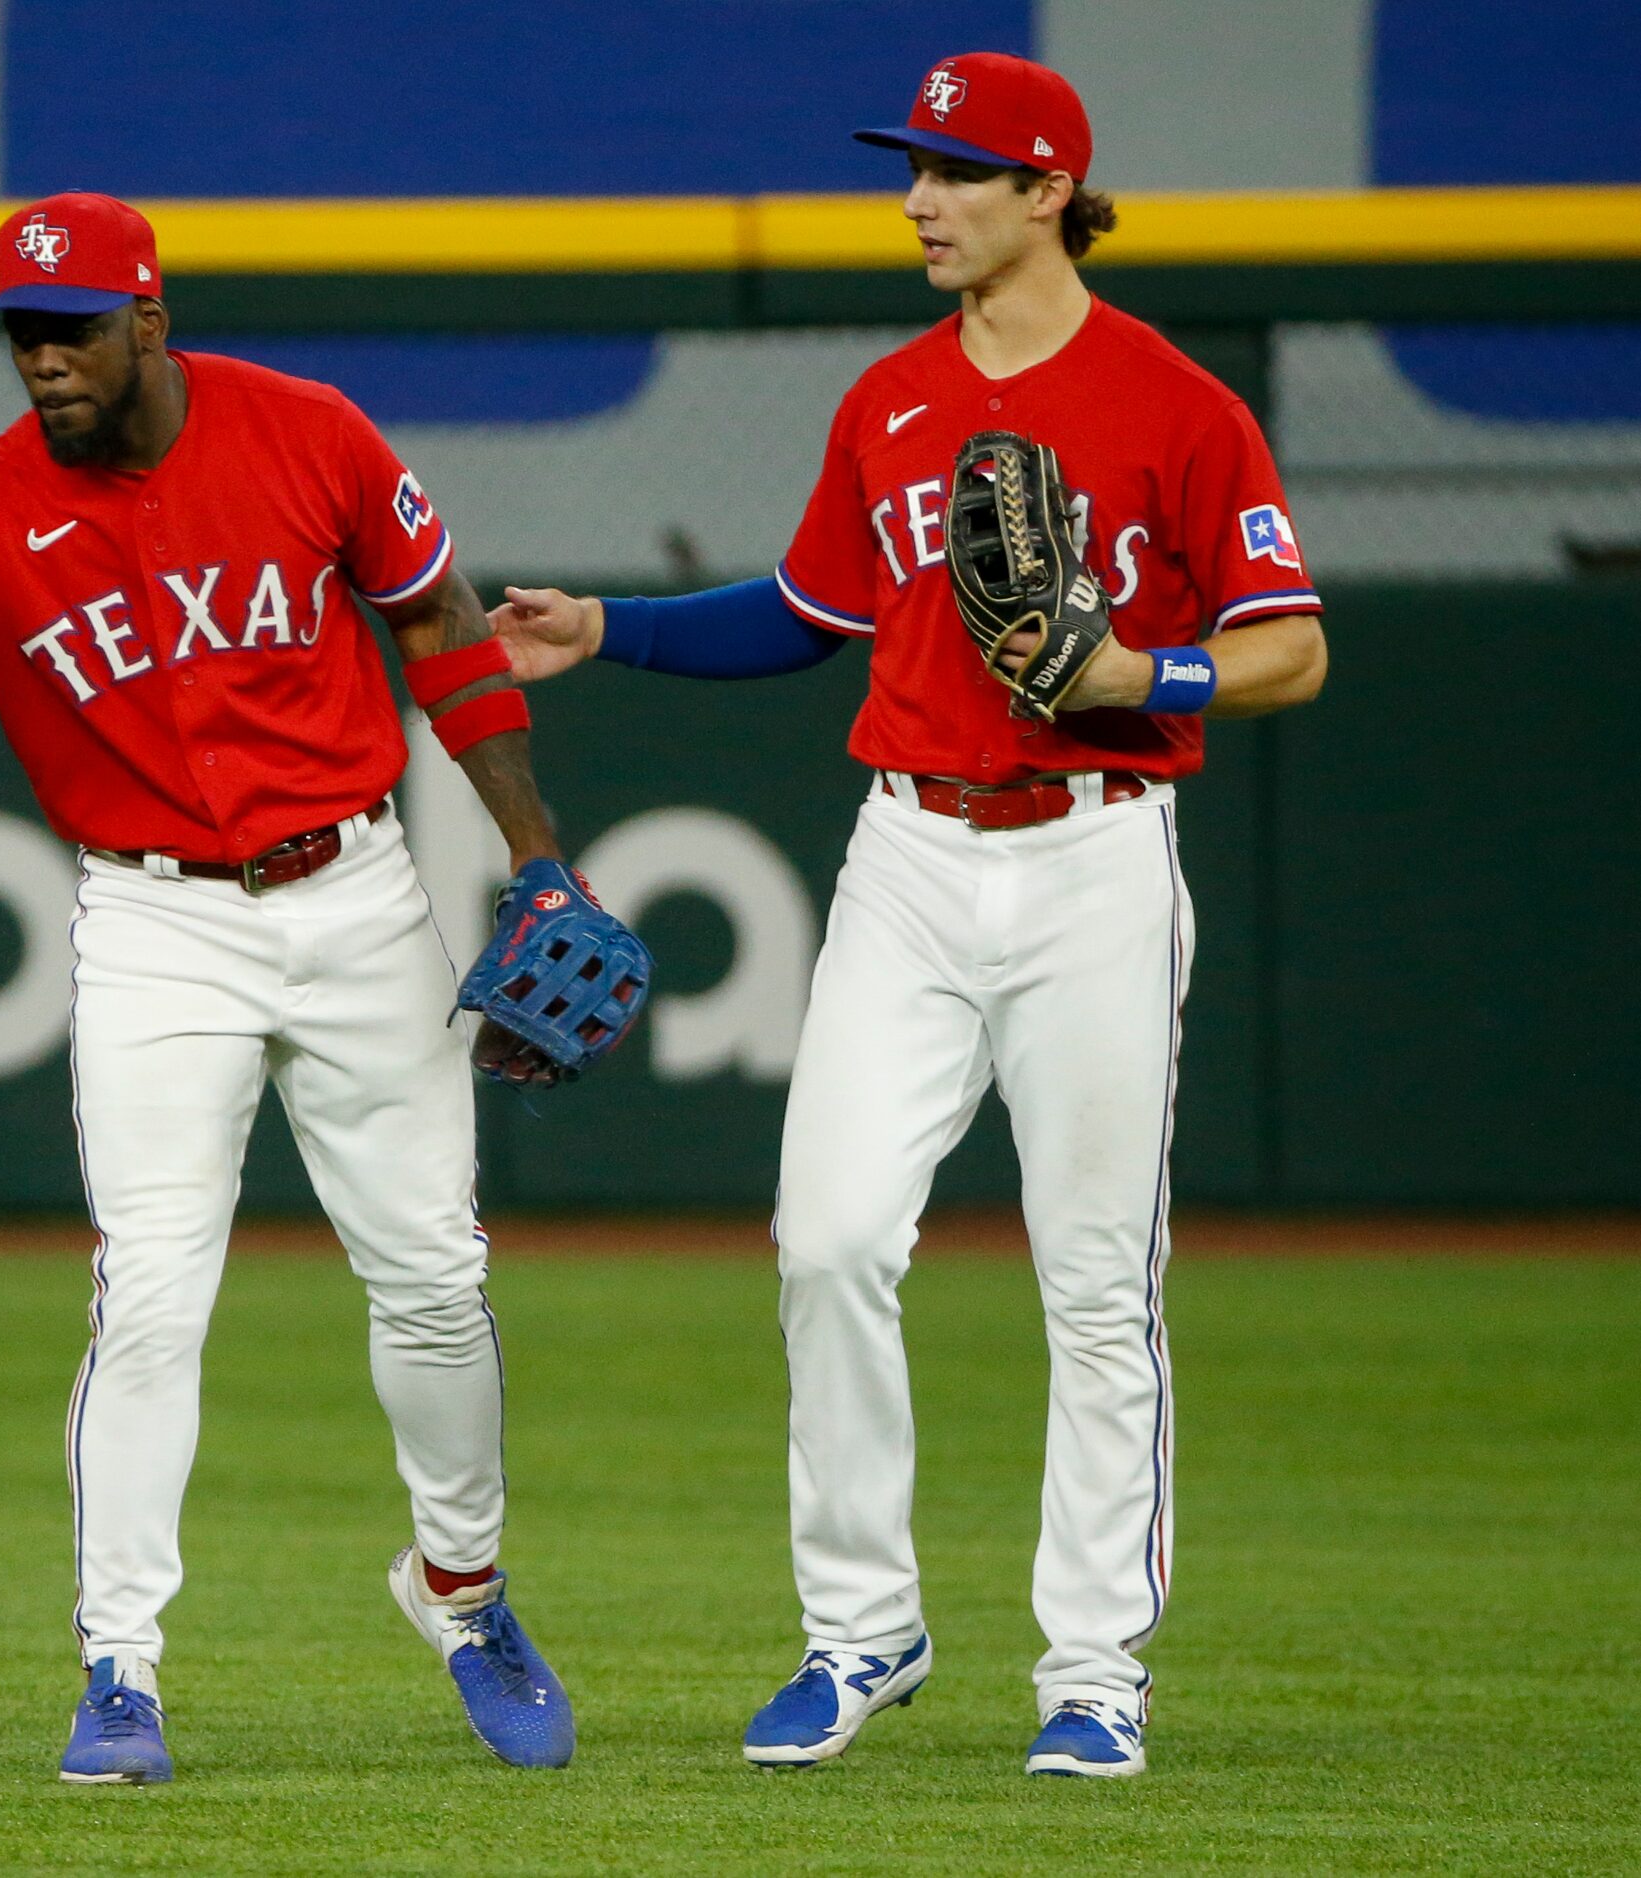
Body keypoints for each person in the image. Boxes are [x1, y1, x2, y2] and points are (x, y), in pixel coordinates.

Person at [0, 192, 587, 1782]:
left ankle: (463, 1594)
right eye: (17, 333)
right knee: (149, 1293)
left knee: (430, 1279)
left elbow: (436, 622)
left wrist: (540, 859)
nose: (40, 359)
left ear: (146, 319)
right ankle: (118, 1668)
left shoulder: (308, 433)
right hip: (154, 925)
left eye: (66, 327)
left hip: (354, 892)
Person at [490, 55, 1327, 1779]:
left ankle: (1093, 1672)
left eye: (954, 169)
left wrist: (1134, 668)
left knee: (1096, 1283)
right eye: (914, 168)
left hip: (1094, 852)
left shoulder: (1176, 405)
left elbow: (1288, 645)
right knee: (828, 1239)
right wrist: (611, 630)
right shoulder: (885, 399)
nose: (918, 198)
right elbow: (806, 610)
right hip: (910, 857)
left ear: (1045, 193)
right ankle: (860, 1629)